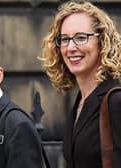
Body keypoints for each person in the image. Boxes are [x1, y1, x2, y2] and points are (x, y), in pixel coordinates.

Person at [40, 1, 121, 168]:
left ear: (102, 42)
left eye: (81, 38)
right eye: (65, 39)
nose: (70, 47)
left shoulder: (116, 101)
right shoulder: (80, 101)